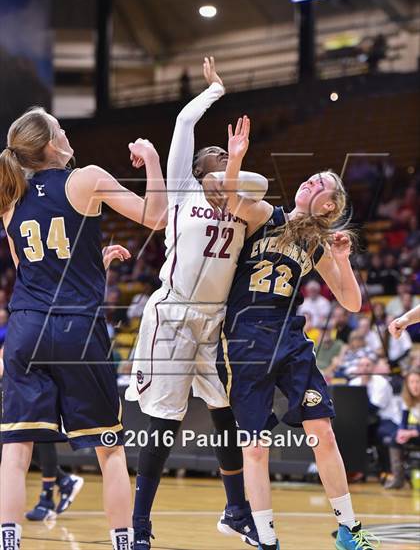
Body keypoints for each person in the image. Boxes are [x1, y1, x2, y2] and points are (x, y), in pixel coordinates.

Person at [0, 106, 167, 550]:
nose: (67, 132)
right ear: (52, 144)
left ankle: (9, 543)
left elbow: (31, 274)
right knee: (109, 449)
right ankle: (122, 543)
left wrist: (96, 266)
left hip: (26, 328)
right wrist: (151, 158)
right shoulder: (87, 177)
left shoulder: (10, 198)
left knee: (16, 452)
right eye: (60, 128)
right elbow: (157, 216)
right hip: (77, 326)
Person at [217, 115, 379, 550]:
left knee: (321, 430)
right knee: (255, 447)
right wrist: (235, 159)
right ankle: (266, 538)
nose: (310, 182)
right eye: (310, 178)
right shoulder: (265, 214)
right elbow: (229, 202)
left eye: (321, 183)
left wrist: (343, 258)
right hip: (244, 336)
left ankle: (349, 529)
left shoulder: (317, 244)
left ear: (330, 206)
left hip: (289, 339)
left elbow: (352, 302)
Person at [125, 57, 267, 550]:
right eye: (205, 153)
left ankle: (236, 509)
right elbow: (185, 123)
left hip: (215, 319)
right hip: (173, 313)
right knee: (164, 420)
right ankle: (139, 523)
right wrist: (215, 91)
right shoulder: (182, 187)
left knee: (225, 411)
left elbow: (262, 185)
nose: (209, 150)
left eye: (217, 151)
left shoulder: (242, 196)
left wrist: (229, 170)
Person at [25, 245, 129, 522]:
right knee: (27, 431)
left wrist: (100, 267)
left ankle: (51, 492)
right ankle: (60, 482)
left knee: (43, 429)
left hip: (72, 343)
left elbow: (79, 290)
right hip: (45, 335)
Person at [384, 369, 420, 489]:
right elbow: (403, 422)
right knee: (395, 438)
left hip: (417, 432)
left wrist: (412, 432)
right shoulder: (407, 400)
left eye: (417, 382)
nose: (415, 385)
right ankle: (398, 478)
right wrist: (401, 432)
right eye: (412, 382)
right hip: (416, 433)